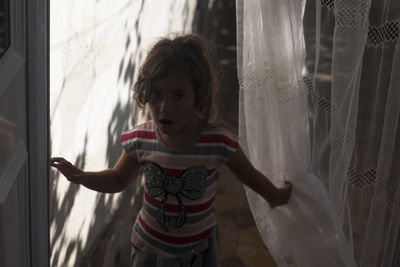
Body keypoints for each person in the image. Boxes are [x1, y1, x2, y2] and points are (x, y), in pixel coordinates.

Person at [50, 34, 293, 267]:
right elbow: (117, 178)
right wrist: (82, 176)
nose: (165, 107)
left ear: (199, 98)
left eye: (178, 95)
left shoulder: (217, 142)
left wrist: (275, 196)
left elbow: (247, 174)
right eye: (156, 94)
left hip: (199, 251)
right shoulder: (140, 139)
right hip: (150, 251)